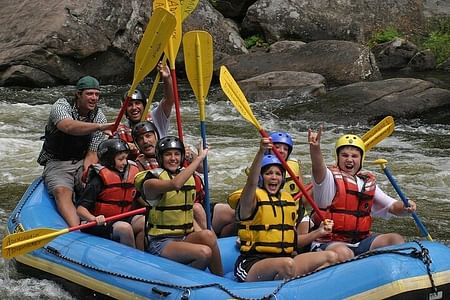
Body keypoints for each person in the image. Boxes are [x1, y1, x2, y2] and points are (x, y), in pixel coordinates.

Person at [234, 138, 338, 282]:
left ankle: (303, 292)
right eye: (268, 173)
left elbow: (294, 242)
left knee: (331, 257)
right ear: (261, 177)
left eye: (278, 174)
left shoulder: (287, 201)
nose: (274, 177)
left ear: (283, 178)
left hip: (285, 261)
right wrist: (261, 151)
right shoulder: (250, 201)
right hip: (252, 264)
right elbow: (251, 182)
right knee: (287, 265)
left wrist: (319, 232)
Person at [308, 126, 417, 261]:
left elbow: (393, 207)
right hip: (328, 242)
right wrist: (315, 148)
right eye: (344, 155)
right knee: (345, 253)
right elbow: (318, 166)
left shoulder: (367, 183)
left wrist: (407, 206)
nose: (349, 159)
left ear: (361, 159)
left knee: (396, 239)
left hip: (360, 241)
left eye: (354, 156)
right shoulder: (327, 179)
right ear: (337, 157)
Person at [134, 136, 224, 276]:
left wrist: (198, 156)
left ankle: (221, 279)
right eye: (168, 154)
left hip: (183, 237)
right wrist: (199, 158)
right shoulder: (150, 181)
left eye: (177, 154)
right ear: (160, 157)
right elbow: (175, 184)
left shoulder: (185, 174)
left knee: (208, 235)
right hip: (161, 243)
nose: (173, 158)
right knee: (204, 253)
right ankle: (187, 282)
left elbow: (204, 170)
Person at [37, 75, 115, 227]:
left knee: (96, 182)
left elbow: (92, 154)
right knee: (61, 191)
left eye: (97, 94)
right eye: (89, 94)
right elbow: (68, 126)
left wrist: (87, 174)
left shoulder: (98, 116)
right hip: (57, 162)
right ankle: (76, 228)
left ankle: (100, 221)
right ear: (78, 94)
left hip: (81, 161)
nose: (94, 98)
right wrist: (99, 127)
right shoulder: (61, 106)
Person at [220, 132, 306, 237]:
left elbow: (303, 194)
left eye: (285, 149)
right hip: (262, 213)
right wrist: (261, 150)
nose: (281, 151)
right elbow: (252, 183)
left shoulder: (293, 166)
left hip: (289, 213)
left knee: (303, 226)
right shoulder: (259, 167)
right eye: (277, 147)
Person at [132, 121, 206, 231]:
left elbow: (205, 170)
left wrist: (193, 157)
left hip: (194, 204)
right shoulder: (138, 166)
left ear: (156, 135)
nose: (145, 141)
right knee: (196, 209)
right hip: (166, 212)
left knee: (223, 211)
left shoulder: (178, 154)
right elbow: (174, 185)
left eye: (148, 136)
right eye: (140, 139)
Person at [76, 138, 145, 249]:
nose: (125, 162)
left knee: (143, 222)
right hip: (100, 223)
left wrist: (151, 206)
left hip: (122, 218)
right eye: (120, 159)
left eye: (126, 158)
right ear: (109, 160)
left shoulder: (129, 175)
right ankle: (131, 259)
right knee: (125, 228)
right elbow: (80, 210)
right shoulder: (97, 180)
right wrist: (93, 219)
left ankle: (143, 255)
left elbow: (136, 196)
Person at [115, 61, 174, 160]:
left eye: (137, 103)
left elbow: (169, 100)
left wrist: (167, 79)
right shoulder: (120, 130)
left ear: (144, 106)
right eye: (129, 105)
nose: (134, 108)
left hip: (161, 163)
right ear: (124, 110)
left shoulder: (156, 118)